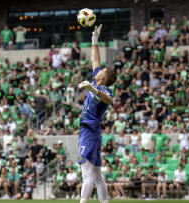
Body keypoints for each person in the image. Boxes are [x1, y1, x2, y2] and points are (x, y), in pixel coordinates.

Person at [77, 24, 117, 203]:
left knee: (86, 172)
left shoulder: (104, 90)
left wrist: (92, 89)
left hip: (90, 131)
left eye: (101, 71)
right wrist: (94, 41)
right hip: (92, 132)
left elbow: (108, 100)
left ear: (103, 77)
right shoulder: (96, 80)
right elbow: (95, 59)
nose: (98, 69)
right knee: (97, 174)